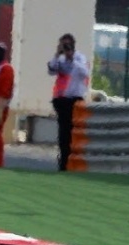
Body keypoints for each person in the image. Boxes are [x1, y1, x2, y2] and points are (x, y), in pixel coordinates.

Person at [47, 33, 90, 171]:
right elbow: (51, 70)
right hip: (61, 99)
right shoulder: (60, 58)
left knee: (73, 132)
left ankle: (73, 162)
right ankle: (63, 162)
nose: (65, 47)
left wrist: (71, 58)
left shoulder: (80, 57)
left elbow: (85, 73)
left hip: (75, 99)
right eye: (63, 44)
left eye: (67, 45)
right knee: (63, 133)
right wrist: (57, 53)